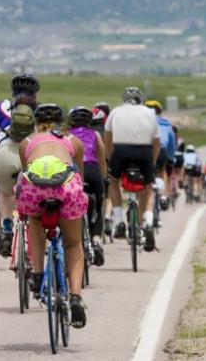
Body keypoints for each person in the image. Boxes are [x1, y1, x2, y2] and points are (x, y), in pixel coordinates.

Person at [16, 103, 88, 328]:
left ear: (36, 123)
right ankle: (75, 297)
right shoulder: (73, 141)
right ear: (63, 122)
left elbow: (25, 169)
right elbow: (80, 175)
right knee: (74, 244)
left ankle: (38, 275)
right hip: (66, 187)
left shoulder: (26, 142)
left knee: (34, 220)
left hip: (35, 187)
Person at [105, 87, 160, 252]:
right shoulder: (150, 113)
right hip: (144, 152)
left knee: (113, 182)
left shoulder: (115, 111)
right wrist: (152, 162)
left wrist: (110, 159)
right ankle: (147, 223)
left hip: (120, 151)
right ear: (140, 100)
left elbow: (107, 139)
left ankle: (119, 222)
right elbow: (156, 141)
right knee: (148, 188)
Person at [0, 73, 39, 257]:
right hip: (32, 153)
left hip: (5, 154)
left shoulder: (1, 107)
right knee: (39, 192)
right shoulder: (40, 110)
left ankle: (7, 227)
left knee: (5, 191)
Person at [68, 106, 107, 266]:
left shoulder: (67, 136)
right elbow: (102, 160)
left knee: (69, 206)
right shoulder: (96, 134)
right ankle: (97, 240)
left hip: (74, 172)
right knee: (98, 208)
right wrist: (104, 180)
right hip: (92, 171)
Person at [145, 100, 176, 210]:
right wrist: (171, 158)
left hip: (146, 150)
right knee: (162, 171)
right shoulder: (166, 124)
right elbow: (172, 144)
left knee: (146, 176)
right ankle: (163, 195)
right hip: (161, 150)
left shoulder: (142, 121)